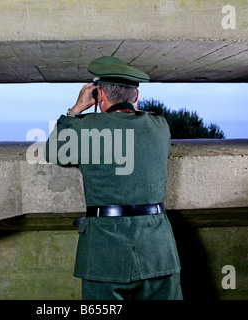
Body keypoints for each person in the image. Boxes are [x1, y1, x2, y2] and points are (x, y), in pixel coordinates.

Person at [44, 56, 182, 300]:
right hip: (157, 252)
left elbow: (54, 153)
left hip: (104, 255)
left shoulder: (84, 129)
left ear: (99, 95)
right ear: (136, 98)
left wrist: (75, 110)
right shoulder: (160, 126)